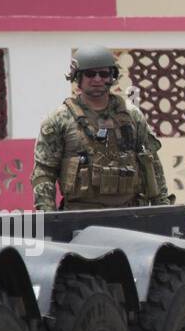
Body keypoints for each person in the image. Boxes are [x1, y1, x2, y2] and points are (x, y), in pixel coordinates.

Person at [31, 45, 174, 212]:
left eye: (104, 74)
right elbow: (44, 172)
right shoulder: (59, 120)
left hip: (131, 213)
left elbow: (152, 165)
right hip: (80, 215)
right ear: (77, 76)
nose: (97, 79)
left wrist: (163, 210)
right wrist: (49, 216)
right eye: (90, 74)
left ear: (112, 77)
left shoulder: (132, 116)